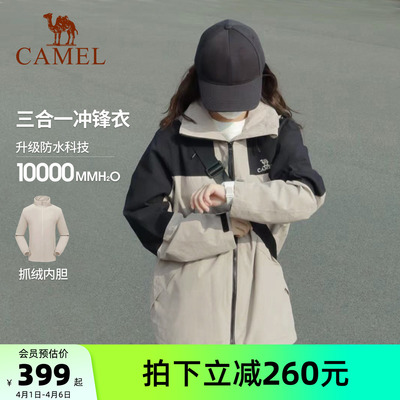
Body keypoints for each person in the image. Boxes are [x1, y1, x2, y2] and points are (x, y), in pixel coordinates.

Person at [123, 19, 326, 344]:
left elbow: (307, 195)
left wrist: (233, 196)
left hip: (265, 324)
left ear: (261, 78)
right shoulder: (172, 139)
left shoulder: (278, 133)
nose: (230, 107)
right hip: (188, 326)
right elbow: (141, 213)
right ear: (199, 80)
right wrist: (219, 229)